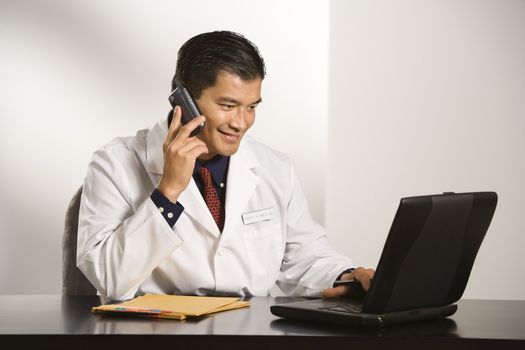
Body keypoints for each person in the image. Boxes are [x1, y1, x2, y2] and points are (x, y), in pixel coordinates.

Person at [77, 31, 374, 301]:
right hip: (158, 334)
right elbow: (109, 278)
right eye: (228, 106)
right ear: (184, 100)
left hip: (249, 332)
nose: (241, 123)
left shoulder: (275, 167)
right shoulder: (115, 163)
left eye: (252, 107)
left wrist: (345, 276)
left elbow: (305, 255)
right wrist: (167, 191)